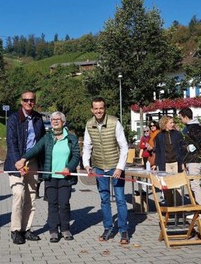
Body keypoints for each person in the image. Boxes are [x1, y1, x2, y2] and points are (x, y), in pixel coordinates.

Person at [15, 112, 79, 243]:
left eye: (58, 119)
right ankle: (53, 231)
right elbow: (35, 149)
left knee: (64, 203)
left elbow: (76, 156)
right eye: (53, 119)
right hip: (50, 177)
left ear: (63, 122)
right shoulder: (47, 138)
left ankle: (66, 229)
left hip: (65, 178)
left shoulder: (71, 138)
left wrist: (69, 168)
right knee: (52, 204)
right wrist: (23, 158)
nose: (55, 121)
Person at [82, 97, 129, 244]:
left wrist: (120, 168)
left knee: (120, 200)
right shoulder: (89, 124)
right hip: (99, 167)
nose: (98, 111)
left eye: (101, 108)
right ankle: (108, 228)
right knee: (104, 199)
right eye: (95, 108)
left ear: (105, 108)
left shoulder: (115, 122)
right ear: (92, 110)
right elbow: (87, 146)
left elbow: (124, 146)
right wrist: (86, 164)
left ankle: (123, 230)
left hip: (115, 166)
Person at [4, 90, 45, 244]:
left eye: (31, 100)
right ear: (21, 101)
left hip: (33, 162)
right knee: (19, 194)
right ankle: (15, 230)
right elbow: (11, 143)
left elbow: (41, 142)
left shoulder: (38, 118)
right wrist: (18, 162)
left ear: (35, 101)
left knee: (31, 196)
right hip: (16, 162)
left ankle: (26, 229)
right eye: (26, 100)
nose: (29, 103)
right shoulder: (14, 119)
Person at [178, 107, 201, 205]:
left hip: (194, 159)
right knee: (191, 185)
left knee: (194, 185)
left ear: (185, 117)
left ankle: (198, 211)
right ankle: (195, 208)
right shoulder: (188, 127)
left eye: (181, 118)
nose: (180, 121)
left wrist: (193, 146)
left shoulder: (194, 127)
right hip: (189, 159)